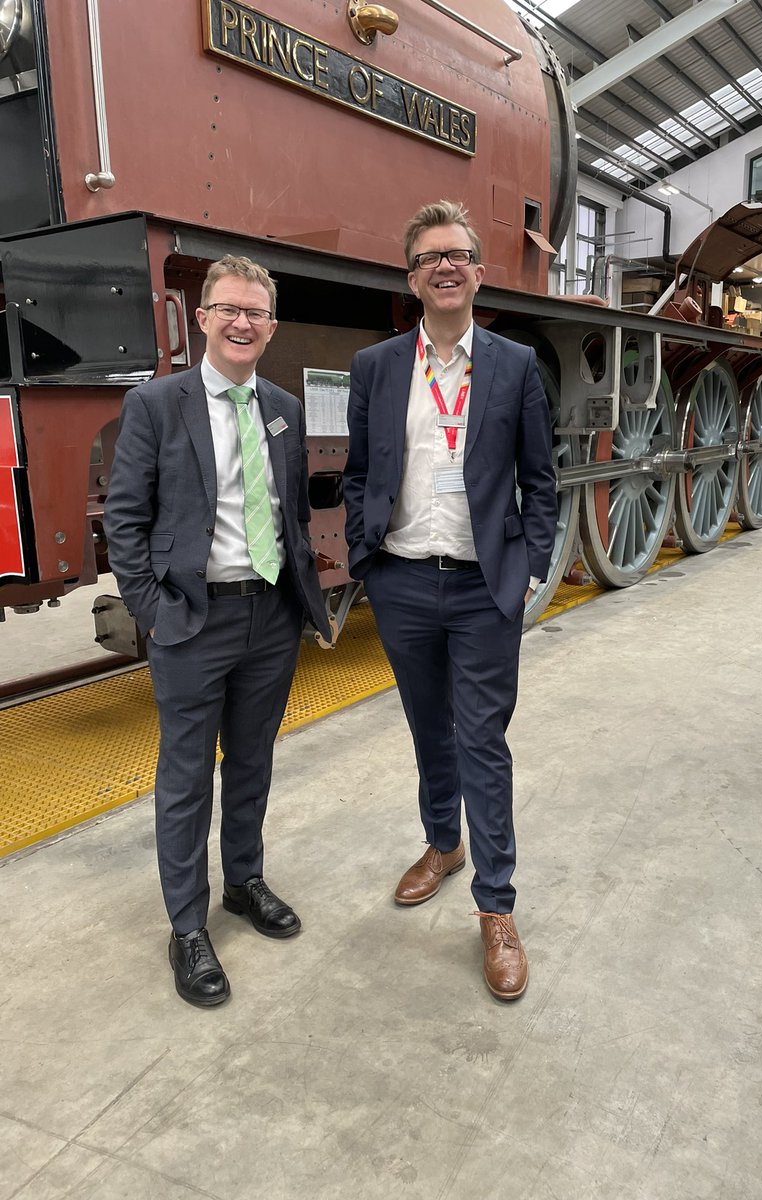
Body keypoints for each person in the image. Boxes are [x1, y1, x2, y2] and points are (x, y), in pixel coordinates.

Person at [343, 200, 557, 1001]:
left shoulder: (512, 364)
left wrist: (530, 567)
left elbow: (542, 479)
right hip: (401, 579)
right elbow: (363, 468)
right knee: (428, 727)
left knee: (483, 742)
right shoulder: (376, 367)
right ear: (412, 277)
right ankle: (443, 843)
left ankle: (495, 908)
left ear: (477, 270)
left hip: (482, 587)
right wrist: (367, 559)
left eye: (458, 254)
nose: (445, 266)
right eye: (429, 256)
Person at [105, 254, 331, 1008]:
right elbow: (126, 522)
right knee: (185, 776)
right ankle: (187, 926)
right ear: (201, 319)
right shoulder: (157, 405)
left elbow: (291, 514)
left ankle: (243, 882)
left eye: (256, 313)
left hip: (270, 615)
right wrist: (154, 611)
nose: (242, 323)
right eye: (228, 309)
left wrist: (301, 600)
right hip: (192, 620)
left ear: (271, 328)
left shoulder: (283, 407)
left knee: (254, 762)